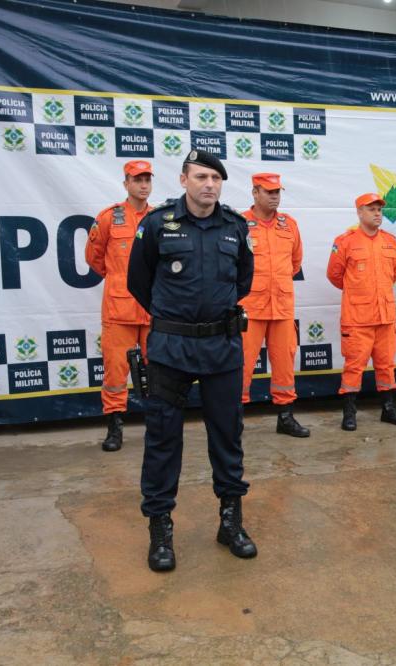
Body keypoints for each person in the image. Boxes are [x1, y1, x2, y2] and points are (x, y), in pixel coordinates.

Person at [127, 149, 256, 572]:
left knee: (227, 436)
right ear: (183, 180)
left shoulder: (236, 227)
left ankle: (230, 521)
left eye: (216, 178)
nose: (209, 185)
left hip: (222, 349)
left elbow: (242, 281)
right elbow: (138, 282)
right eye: (200, 176)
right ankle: (160, 528)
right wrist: (177, 321)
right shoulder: (157, 225)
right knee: (163, 439)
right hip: (171, 350)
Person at [85, 160, 153, 452]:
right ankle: (115, 427)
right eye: (137, 179)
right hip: (119, 311)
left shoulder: (162, 219)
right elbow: (94, 258)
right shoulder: (109, 218)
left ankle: (158, 426)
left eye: (147, 179)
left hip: (153, 311)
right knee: (115, 372)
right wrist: (118, 281)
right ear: (126, 183)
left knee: (159, 372)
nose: (143, 184)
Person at [326, 193, 396, 431]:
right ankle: (349, 413)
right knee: (354, 367)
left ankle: (388, 409)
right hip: (358, 319)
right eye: (371, 209)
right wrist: (358, 292)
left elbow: (395, 272)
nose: (377, 213)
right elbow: (334, 275)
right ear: (359, 212)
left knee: (386, 365)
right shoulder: (345, 241)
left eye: (379, 209)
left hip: (385, 317)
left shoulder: (390, 242)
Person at [239, 172, 309, 437]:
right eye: (269, 192)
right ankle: (235, 420)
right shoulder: (240, 224)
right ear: (255, 192)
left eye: (277, 191)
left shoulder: (288, 225)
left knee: (284, 363)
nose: (275, 196)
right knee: (242, 365)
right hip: (250, 309)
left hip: (281, 307)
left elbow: (295, 262)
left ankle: (285, 417)